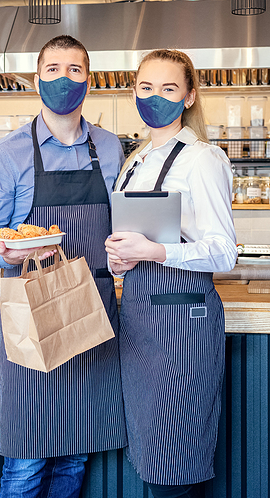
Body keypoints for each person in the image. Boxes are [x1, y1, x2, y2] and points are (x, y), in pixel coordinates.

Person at [0, 35, 127, 497]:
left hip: (93, 312)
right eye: (54, 69)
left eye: (75, 70)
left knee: (74, 458)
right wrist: (7, 253)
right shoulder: (7, 154)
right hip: (32, 312)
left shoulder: (111, 147)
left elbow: (120, 221)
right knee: (27, 460)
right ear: (38, 79)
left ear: (89, 80)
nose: (64, 79)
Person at [105, 49, 237, 498]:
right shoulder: (135, 161)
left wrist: (157, 250)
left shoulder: (203, 159)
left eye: (168, 88)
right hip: (140, 322)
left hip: (182, 328)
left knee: (175, 464)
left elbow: (223, 254)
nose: (154, 97)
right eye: (145, 87)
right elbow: (131, 240)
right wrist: (120, 259)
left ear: (189, 97)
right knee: (151, 460)